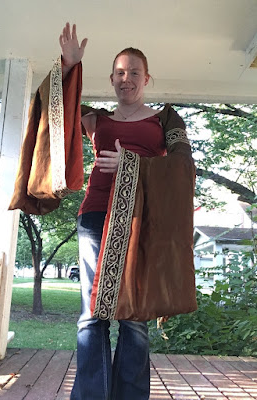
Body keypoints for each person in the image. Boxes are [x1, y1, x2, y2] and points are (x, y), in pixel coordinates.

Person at [58, 23, 195, 400]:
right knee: (91, 314)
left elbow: (183, 165)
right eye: (120, 72)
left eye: (134, 72)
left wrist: (131, 163)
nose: (126, 78)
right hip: (95, 217)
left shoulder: (165, 121)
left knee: (134, 318)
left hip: (141, 224)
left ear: (146, 78)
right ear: (112, 79)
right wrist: (70, 66)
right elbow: (58, 113)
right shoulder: (96, 120)